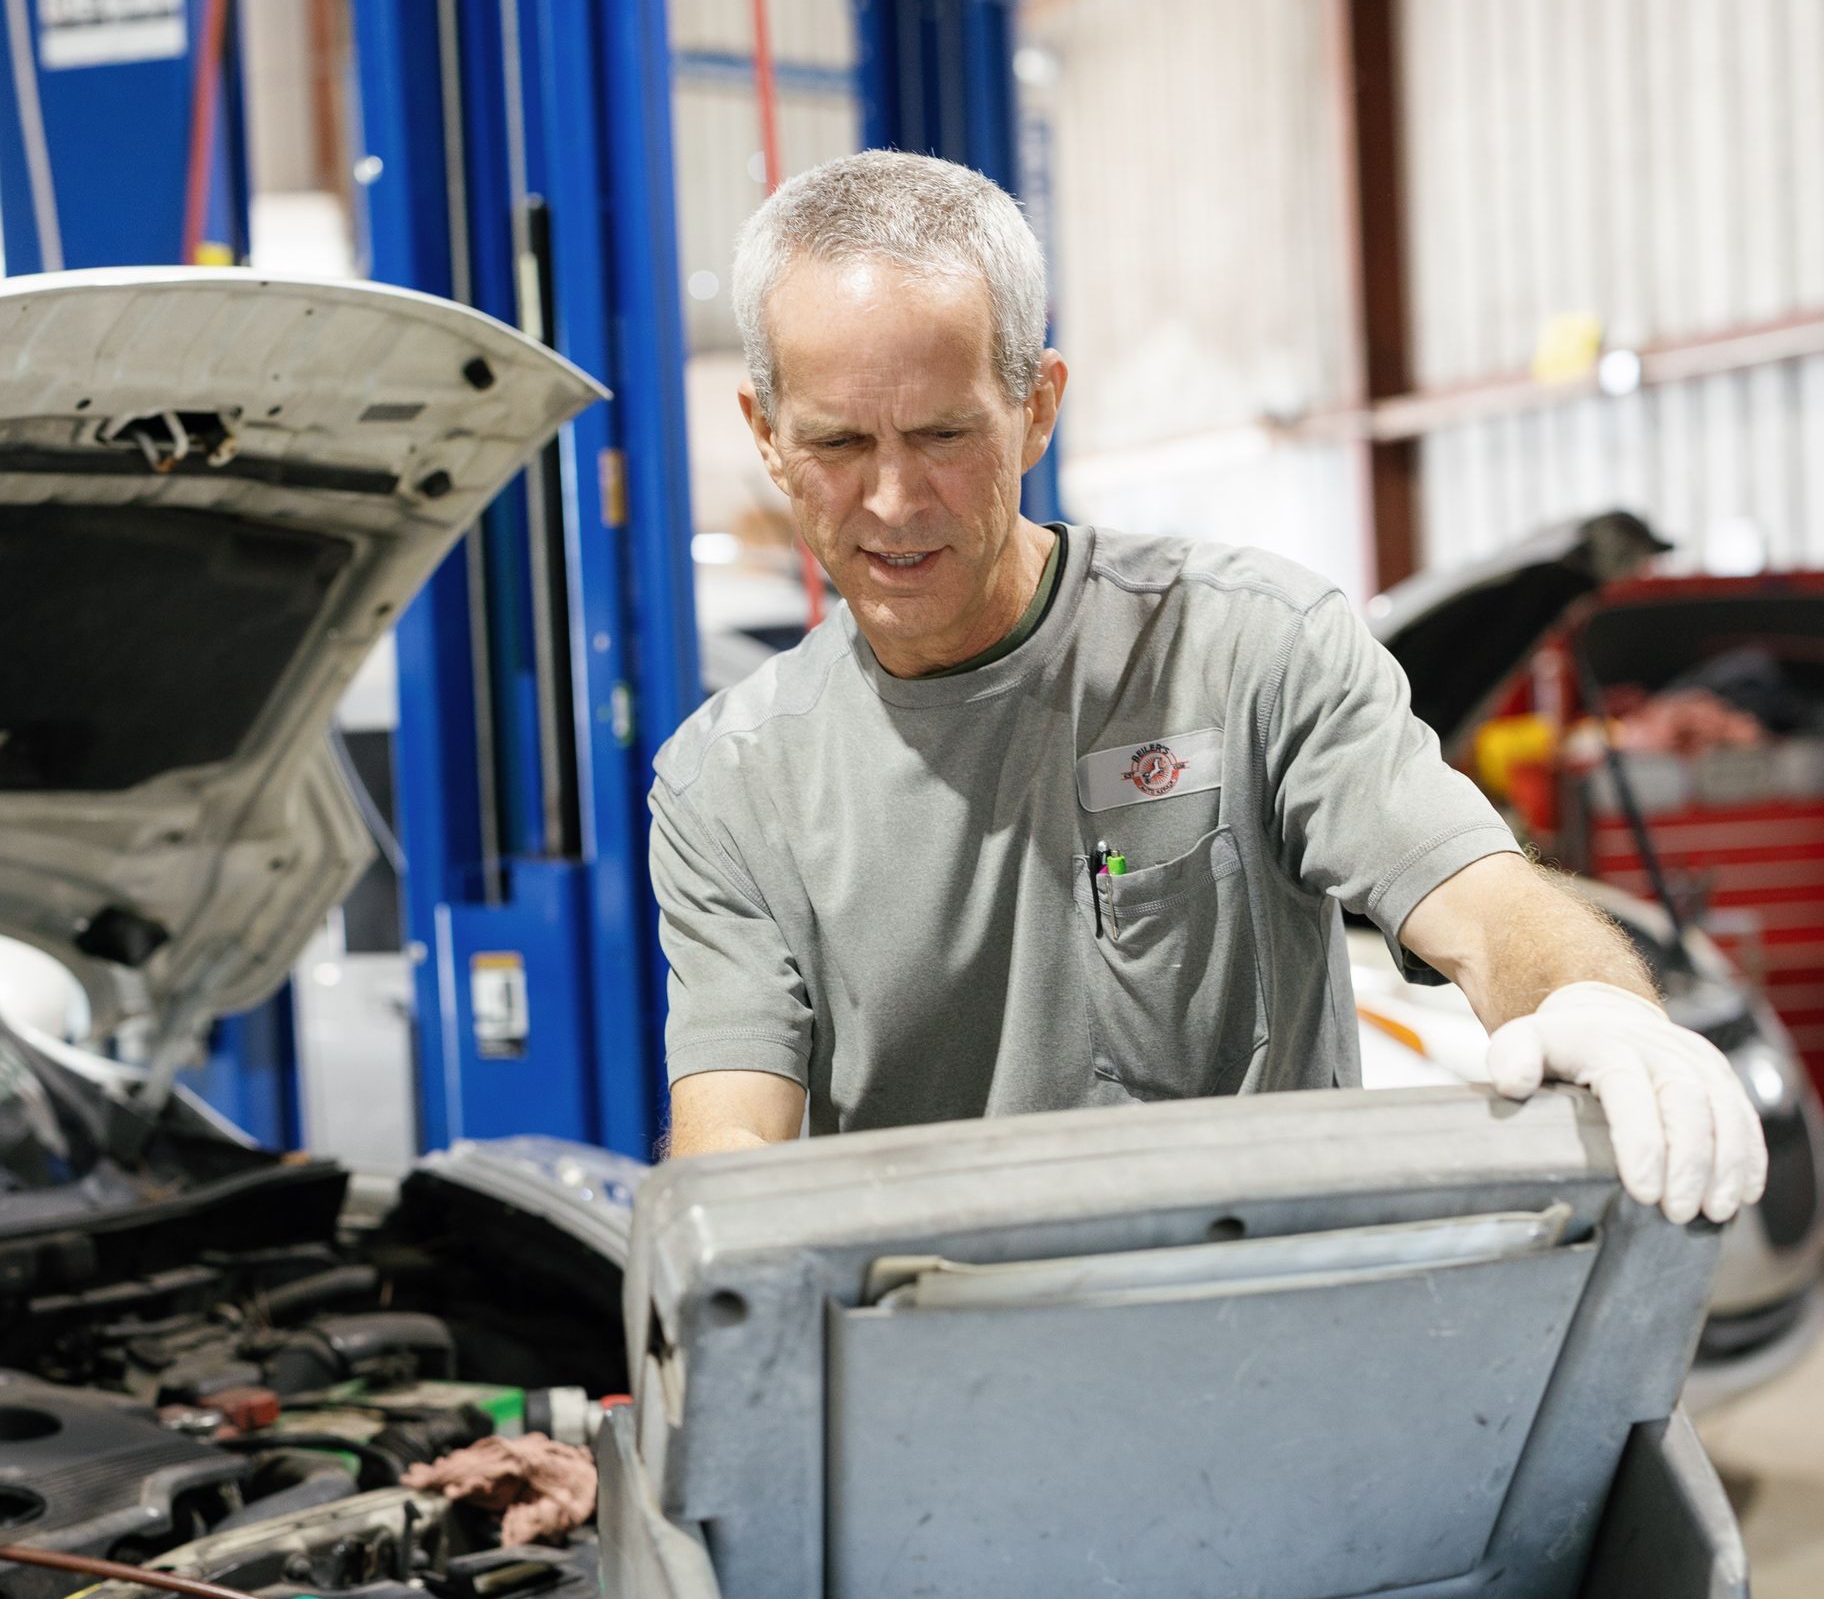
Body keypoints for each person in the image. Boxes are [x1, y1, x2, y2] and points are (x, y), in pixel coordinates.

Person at [650, 151, 1763, 1226]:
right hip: (941, 1362)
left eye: (944, 433)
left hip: (1272, 1340)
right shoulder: (729, 786)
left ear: (1037, 406)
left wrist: (1595, 1004)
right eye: (838, 442)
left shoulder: (1250, 652)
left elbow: (1481, 904)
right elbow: (732, 1139)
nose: (891, 502)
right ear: (766, 436)